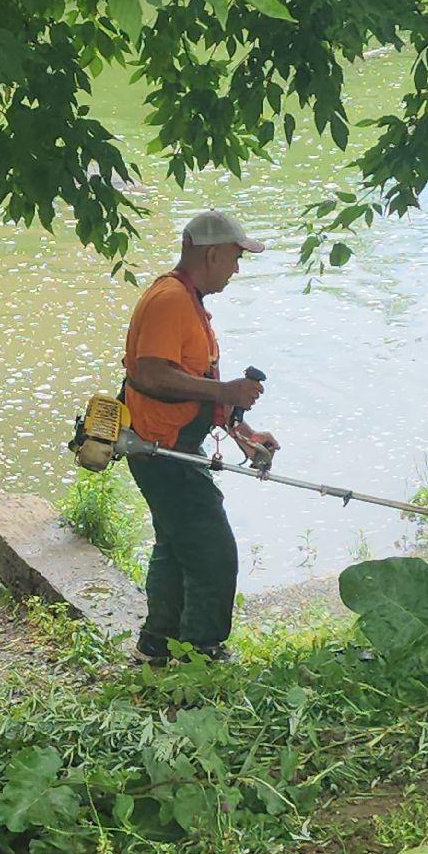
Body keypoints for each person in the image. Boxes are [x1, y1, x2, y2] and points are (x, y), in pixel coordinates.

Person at [121, 210, 279, 665]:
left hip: (170, 448)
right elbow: (151, 375)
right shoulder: (171, 300)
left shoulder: (185, 300)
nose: (236, 269)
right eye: (234, 258)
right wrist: (225, 390)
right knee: (212, 552)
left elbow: (191, 381)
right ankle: (202, 656)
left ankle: (158, 644)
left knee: (176, 545)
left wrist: (244, 432)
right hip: (159, 450)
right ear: (212, 255)